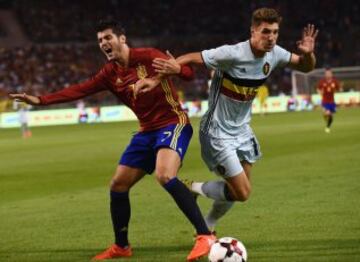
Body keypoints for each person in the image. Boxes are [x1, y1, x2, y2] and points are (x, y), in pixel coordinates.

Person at [9, 18, 215, 262]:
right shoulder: (110, 73)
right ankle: (121, 246)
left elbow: (189, 73)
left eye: (107, 38)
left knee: (164, 174)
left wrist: (178, 68)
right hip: (145, 132)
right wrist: (41, 100)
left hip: (173, 123)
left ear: (122, 39)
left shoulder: (148, 56)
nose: (103, 43)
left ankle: (205, 235)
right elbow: (80, 89)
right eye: (100, 40)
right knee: (118, 184)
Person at [138, 7, 318, 233]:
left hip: (242, 130)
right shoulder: (232, 54)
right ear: (253, 31)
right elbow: (194, 57)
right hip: (217, 132)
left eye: (274, 32)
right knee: (242, 192)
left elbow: (306, 66)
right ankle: (193, 188)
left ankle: (208, 224)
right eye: (265, 32)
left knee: (237, 190)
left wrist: (309, 54)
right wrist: (162, 76)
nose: (270, 37)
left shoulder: (276, 54)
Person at [316, 68, 340, 133]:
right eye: (327, 73)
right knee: (327, 114)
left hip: (332, 101)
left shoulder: (334, 81)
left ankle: (328, 127)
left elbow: (338, 89)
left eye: (329, 73)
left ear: (331, 74)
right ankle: (327, 125)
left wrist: (336, 90)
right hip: (325, 101)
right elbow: (318, 89)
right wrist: (320, 92)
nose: (328, 74)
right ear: (325, 74)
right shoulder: (322, 81)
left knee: (330, 115)